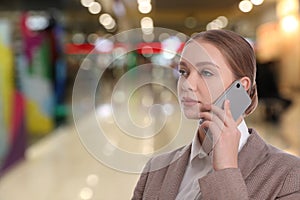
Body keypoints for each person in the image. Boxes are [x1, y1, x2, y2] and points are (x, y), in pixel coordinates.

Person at [131, 29, 300, 200]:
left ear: (242, 86)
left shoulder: (289, 175)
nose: (187, 85)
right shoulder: (156, 168)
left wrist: (226, 170)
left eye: (206, 73)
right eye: (183, 72)